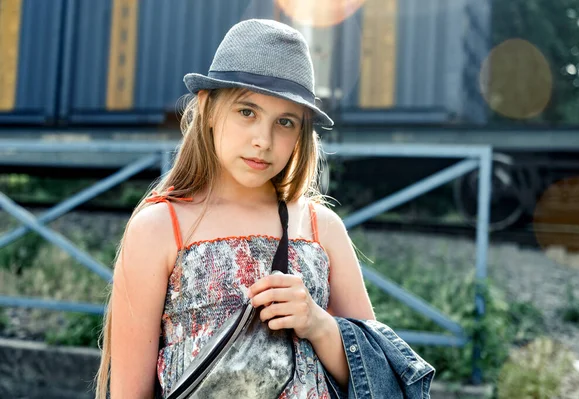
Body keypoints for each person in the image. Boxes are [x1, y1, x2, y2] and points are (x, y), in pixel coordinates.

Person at [94, 18, 376, 399]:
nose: (263, 140)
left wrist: (318, 324)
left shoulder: (321, 227)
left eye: (285, 122)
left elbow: (375, 375)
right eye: (247, 112)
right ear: (209, 108)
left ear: (300, 134)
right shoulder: (160, 228)